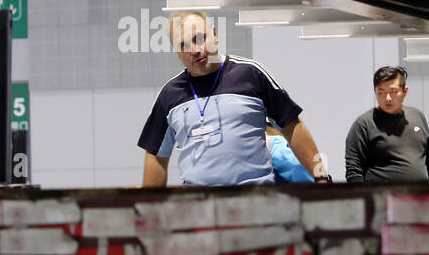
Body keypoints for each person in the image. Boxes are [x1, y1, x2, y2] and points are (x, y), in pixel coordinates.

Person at [137, 12, 328, 186]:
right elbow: (156, 156)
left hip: (257, 202)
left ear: (214, 34)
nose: (194, 50)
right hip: (199, 210)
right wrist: (148, 211)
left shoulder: (251, 74)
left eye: (199, 39)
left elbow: (291, 126)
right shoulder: (169, 95)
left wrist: (321, 178)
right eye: (183, 45)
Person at [345, 66, 429, 183]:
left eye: (393, 92)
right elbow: (354, 170)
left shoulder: (417, 116)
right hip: (381, 198)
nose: (387, 98)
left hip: (421, 198)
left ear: (405, 91)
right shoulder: (363, 124)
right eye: (381, 92)